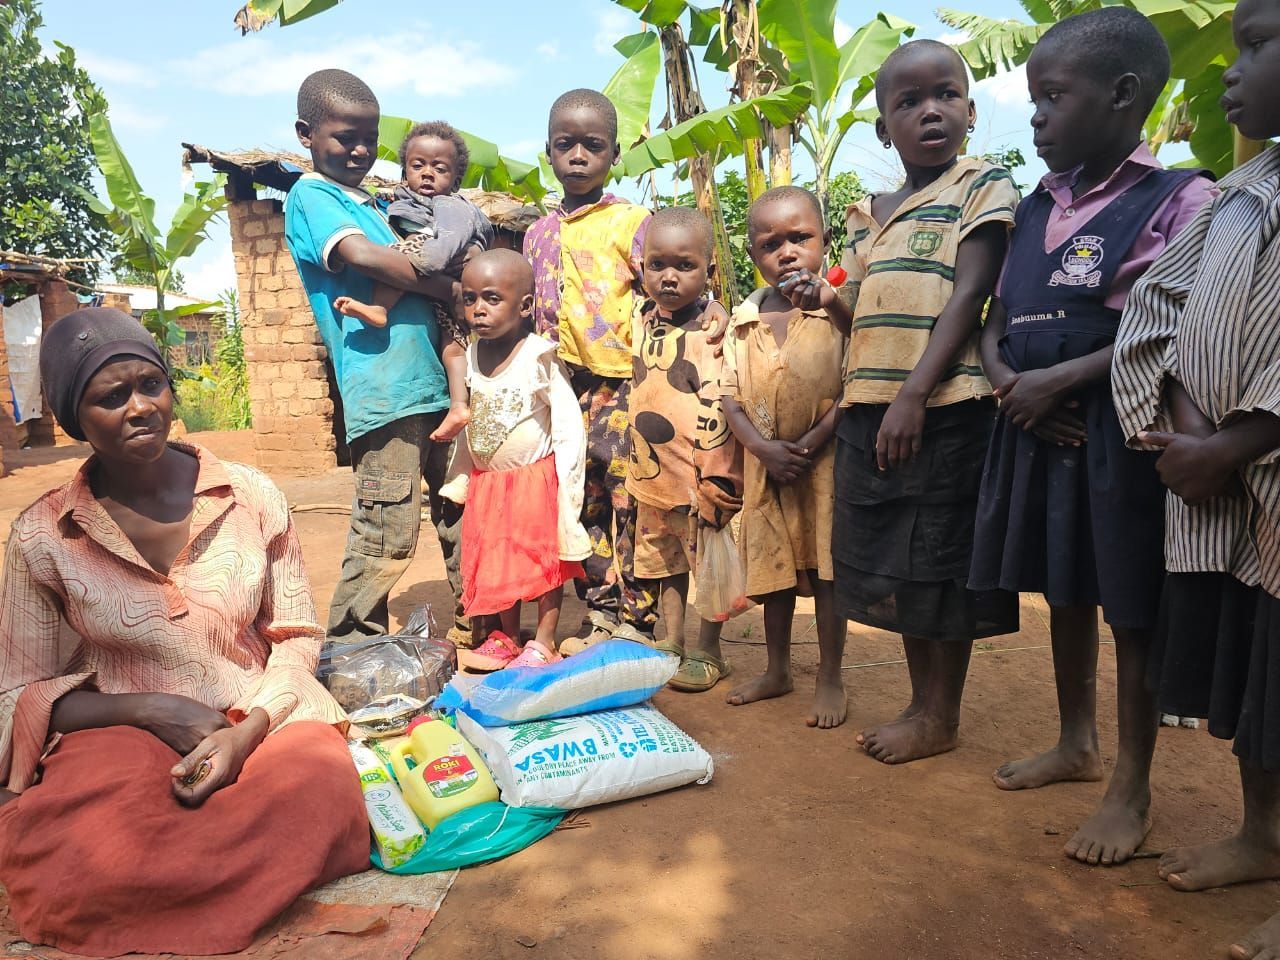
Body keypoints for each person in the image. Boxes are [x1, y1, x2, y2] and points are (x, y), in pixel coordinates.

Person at [0, 308, 368, 956]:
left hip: (257, 714)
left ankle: (175, 893)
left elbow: (299, 635)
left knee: (320, 792)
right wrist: (149, 710)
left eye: (151, 384)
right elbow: (19, 691)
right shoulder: (44, 533)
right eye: (111, 397)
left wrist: (248, 732)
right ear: (71, 418)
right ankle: (199, 885)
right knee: (67, 845)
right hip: (118, 729)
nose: (140, 406)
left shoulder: (249, 494)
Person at [968, 8, 1217, 867]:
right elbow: (994, 320)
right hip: (1032, 422)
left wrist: (1061, 381)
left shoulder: (1183, 197)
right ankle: (1075, 741)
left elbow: (1183, 327)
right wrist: (1007, 382)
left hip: (1118, 429)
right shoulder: (1036, 203)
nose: (1034, 116)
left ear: (1122, 95)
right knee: (1064, 587)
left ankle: (1131, 785)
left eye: (1051, 97)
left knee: (1130, 603)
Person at [1113, 1, 1280, 954]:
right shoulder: (1243, 188)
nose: (1229, 68)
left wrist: (1240, 440)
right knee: (1262, 663)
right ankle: (1263, 833)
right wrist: (1186, 433)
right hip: (1221, 481)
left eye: (1256, 47)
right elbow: (1161, 303)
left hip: (1251, 466)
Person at [834, 40, 1021, 762]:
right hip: (869, 409)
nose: (929, 111)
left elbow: (972, 291)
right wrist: (822, 298)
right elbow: (857, 313)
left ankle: (942, 716)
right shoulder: (864, 214)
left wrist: (915, 393)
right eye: (907, 102)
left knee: (940, 562)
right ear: (884, 127)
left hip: (945, 407)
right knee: (892, 563)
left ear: (970, 112)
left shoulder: (982, 184)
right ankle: (919, 704)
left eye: (945, 94)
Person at [283, 69, 465, 644]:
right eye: (345, 137)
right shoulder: (313, 196)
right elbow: (362, 257)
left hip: (433, 384)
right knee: (387, 526)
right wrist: (449, 288)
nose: (361, 149)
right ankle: (351, 647)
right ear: (306, 134)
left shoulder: (382, 203)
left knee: (461, 514)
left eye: (371, 137)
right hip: (384, 390)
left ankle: (482, 623)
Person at [524, 88, 660, 653]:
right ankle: (601, 610)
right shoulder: (536, 233)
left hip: (622, 383)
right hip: (558, 388)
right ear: (549, 153)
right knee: (580, 501)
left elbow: (667, 288)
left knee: (627, 496)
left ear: (614, 153)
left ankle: (639, 615)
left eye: (593, 145)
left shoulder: (634, 223)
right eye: (565, 144)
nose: (578, 155)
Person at [720, 187, 852, 728]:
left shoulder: (838, 313)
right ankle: (777, 670)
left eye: (801, 238)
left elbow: (857, 379)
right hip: (766, 470)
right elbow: (729, 393)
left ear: (824, 241)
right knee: (773, 574)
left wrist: (815, 438)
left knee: (826, 573)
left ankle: (830, 677)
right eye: (772, 244)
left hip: (823, 468)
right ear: (754, 256)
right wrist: (761, 448)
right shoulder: (743, 319)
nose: (788, 252)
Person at [440, 249, 591, 669]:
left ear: (525, 306)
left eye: (491, 298)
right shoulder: (471, 354)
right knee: (498, 559)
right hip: (490, 483)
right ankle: (505, 637)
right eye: (470, 300)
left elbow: (566, 423)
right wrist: (463, 476)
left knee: (544, 562)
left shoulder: (538, 356)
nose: (478, 310)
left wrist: (568, 480)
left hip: (535, 480)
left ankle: (543, 640)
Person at [626, 206, 742, 692]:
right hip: (651, 480)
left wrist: (718, 478)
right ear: (642, 268)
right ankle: (672, 640)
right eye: (657, 265)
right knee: (664, 563)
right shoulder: (640, 317)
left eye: (684, 266)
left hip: (698, 483)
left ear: (709, 271)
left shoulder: (716, 333)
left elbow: (722, 408)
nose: (668, 277)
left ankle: (709, 650)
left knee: (707, 568)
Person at [333, 121, 493, 443]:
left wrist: (422, 260)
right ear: (405, 172)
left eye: (439, 168)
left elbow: (445, 245)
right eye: (417, 165)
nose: (428, 174)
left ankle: (380, 308)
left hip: (443, 261)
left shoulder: (453, 206)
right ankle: (459, 405)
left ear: (456, 180)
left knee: (395, 260)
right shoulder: (407, 199)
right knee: (453, 345)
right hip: (445, 285)